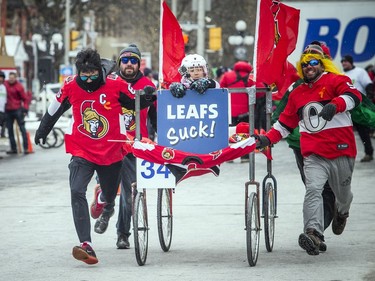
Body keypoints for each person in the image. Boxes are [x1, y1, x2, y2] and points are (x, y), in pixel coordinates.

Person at [34, 48, 155, 265]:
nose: (89, 79)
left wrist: (147, 96)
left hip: (111, 151)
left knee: (110, 196)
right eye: (84, 74)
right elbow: (54, 110)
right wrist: (43, 130)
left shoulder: (116, 85)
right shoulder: (70, 86)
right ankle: (86, 244)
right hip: (82, 150)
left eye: (93, 74)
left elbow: (136, 103)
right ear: (78, 72)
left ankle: (103, 198)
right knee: (76, 190)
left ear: (100, 71)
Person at [255, 44, 362, 256]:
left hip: (341, 150)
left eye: (313, 62)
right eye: (305, 64)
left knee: (343, 195)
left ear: (322, 64)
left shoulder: (336, 80)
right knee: (314, 190)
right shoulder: (297, 91)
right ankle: (313, 233)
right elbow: (285, 123)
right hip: (314, 154)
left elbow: (354, 96)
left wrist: (337, 104)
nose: (309, 66)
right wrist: (267, 138)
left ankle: (342, 212)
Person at [98, 44, 156, 250]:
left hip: (135, 146)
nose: (129, 64)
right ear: (120, 62)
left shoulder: (148, 84)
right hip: (110, 143)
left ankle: (123, 234)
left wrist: (160, 139)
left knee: (130, 194)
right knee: (109, 186)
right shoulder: (109, 81)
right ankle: (103, 197)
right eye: (125, 60)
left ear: (139, 63)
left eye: (134, 60)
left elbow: (155, 114)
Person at [220, 61, 256, 163]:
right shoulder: (250, 77)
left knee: (230, 132)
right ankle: (244, 156)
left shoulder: (227, 75)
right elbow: (258, 93)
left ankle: (229, 156)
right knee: (243, 132)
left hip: (230, 110)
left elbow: (221, 90)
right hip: (245, 110)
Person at [341, 55, 374, 162]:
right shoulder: (343, 74)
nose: (344, 64)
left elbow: (368, 84)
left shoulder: (360, 72)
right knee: (346, 133)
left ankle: (369, 153)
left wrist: (369, 96)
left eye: (345, 62)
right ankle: (346, 154)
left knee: (363, 132)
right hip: (348, 109)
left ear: (351, 62)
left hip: (359, 108)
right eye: (342, 62)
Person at [4, 72, 29, 154]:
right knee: (10, 130)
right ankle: (13, 148)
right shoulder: (5, 85)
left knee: (22, 129)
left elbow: (25, 99)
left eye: (12, 78)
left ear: (15, 78)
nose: (11, 79)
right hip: (8, 110)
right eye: (10, 78)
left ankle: (26, 148)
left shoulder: (19, 86)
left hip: (17, 109)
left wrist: (25, 109)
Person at [0, 71, 7, 138]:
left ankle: (2, 134)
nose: (0, 79)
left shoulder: (5, 87)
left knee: (4, 122)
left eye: (1, 77)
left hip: (3, 109)